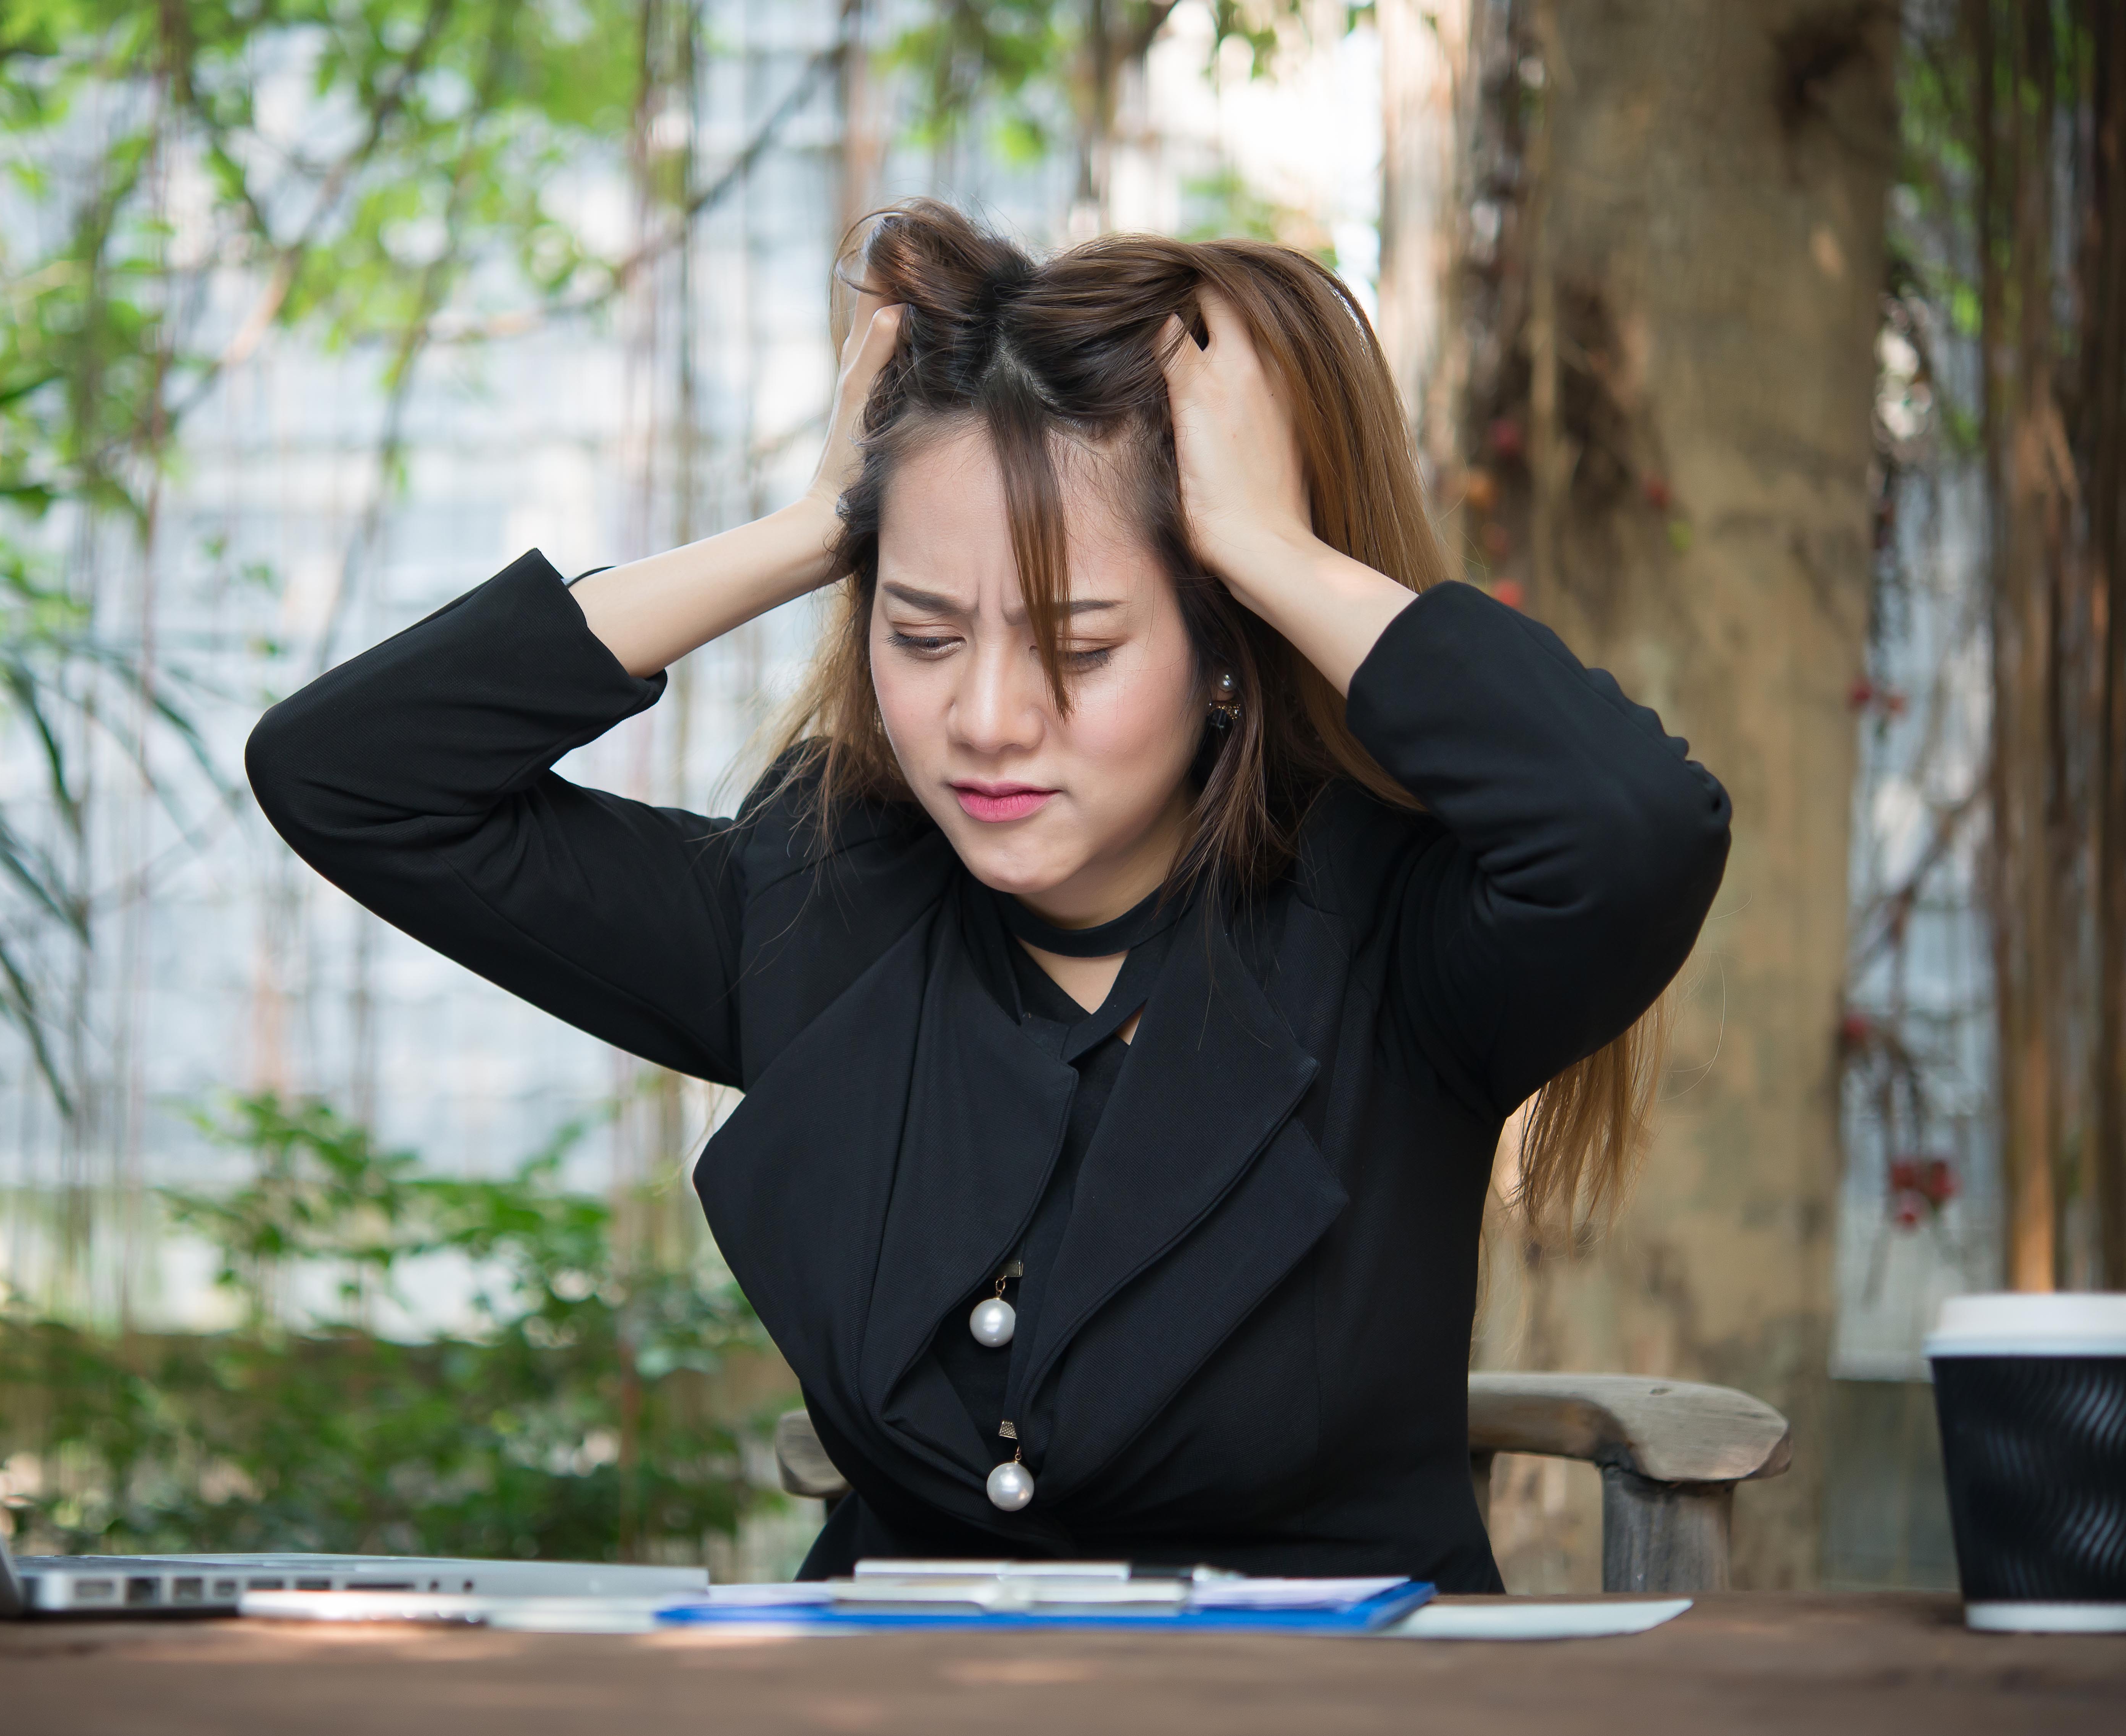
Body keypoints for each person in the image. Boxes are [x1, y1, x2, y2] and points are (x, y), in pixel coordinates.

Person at [244, 200, 1730, 1591]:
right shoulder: (817, 900)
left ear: (1227, 647)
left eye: (1079, 646)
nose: (987, 719)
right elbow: (354, 775)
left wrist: (1270, 548)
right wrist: (826, 518)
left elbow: (1633, 827)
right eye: (925, 632)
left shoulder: (1399, 939)